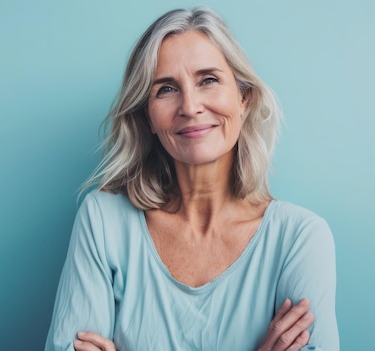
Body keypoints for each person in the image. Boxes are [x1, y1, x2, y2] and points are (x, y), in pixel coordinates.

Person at [45, 6, 338, 351]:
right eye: (166, 89)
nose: (190, 106)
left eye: (208, 80)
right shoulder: (103, 221)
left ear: (243, 98)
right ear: (148, 117)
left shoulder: (300, 239)